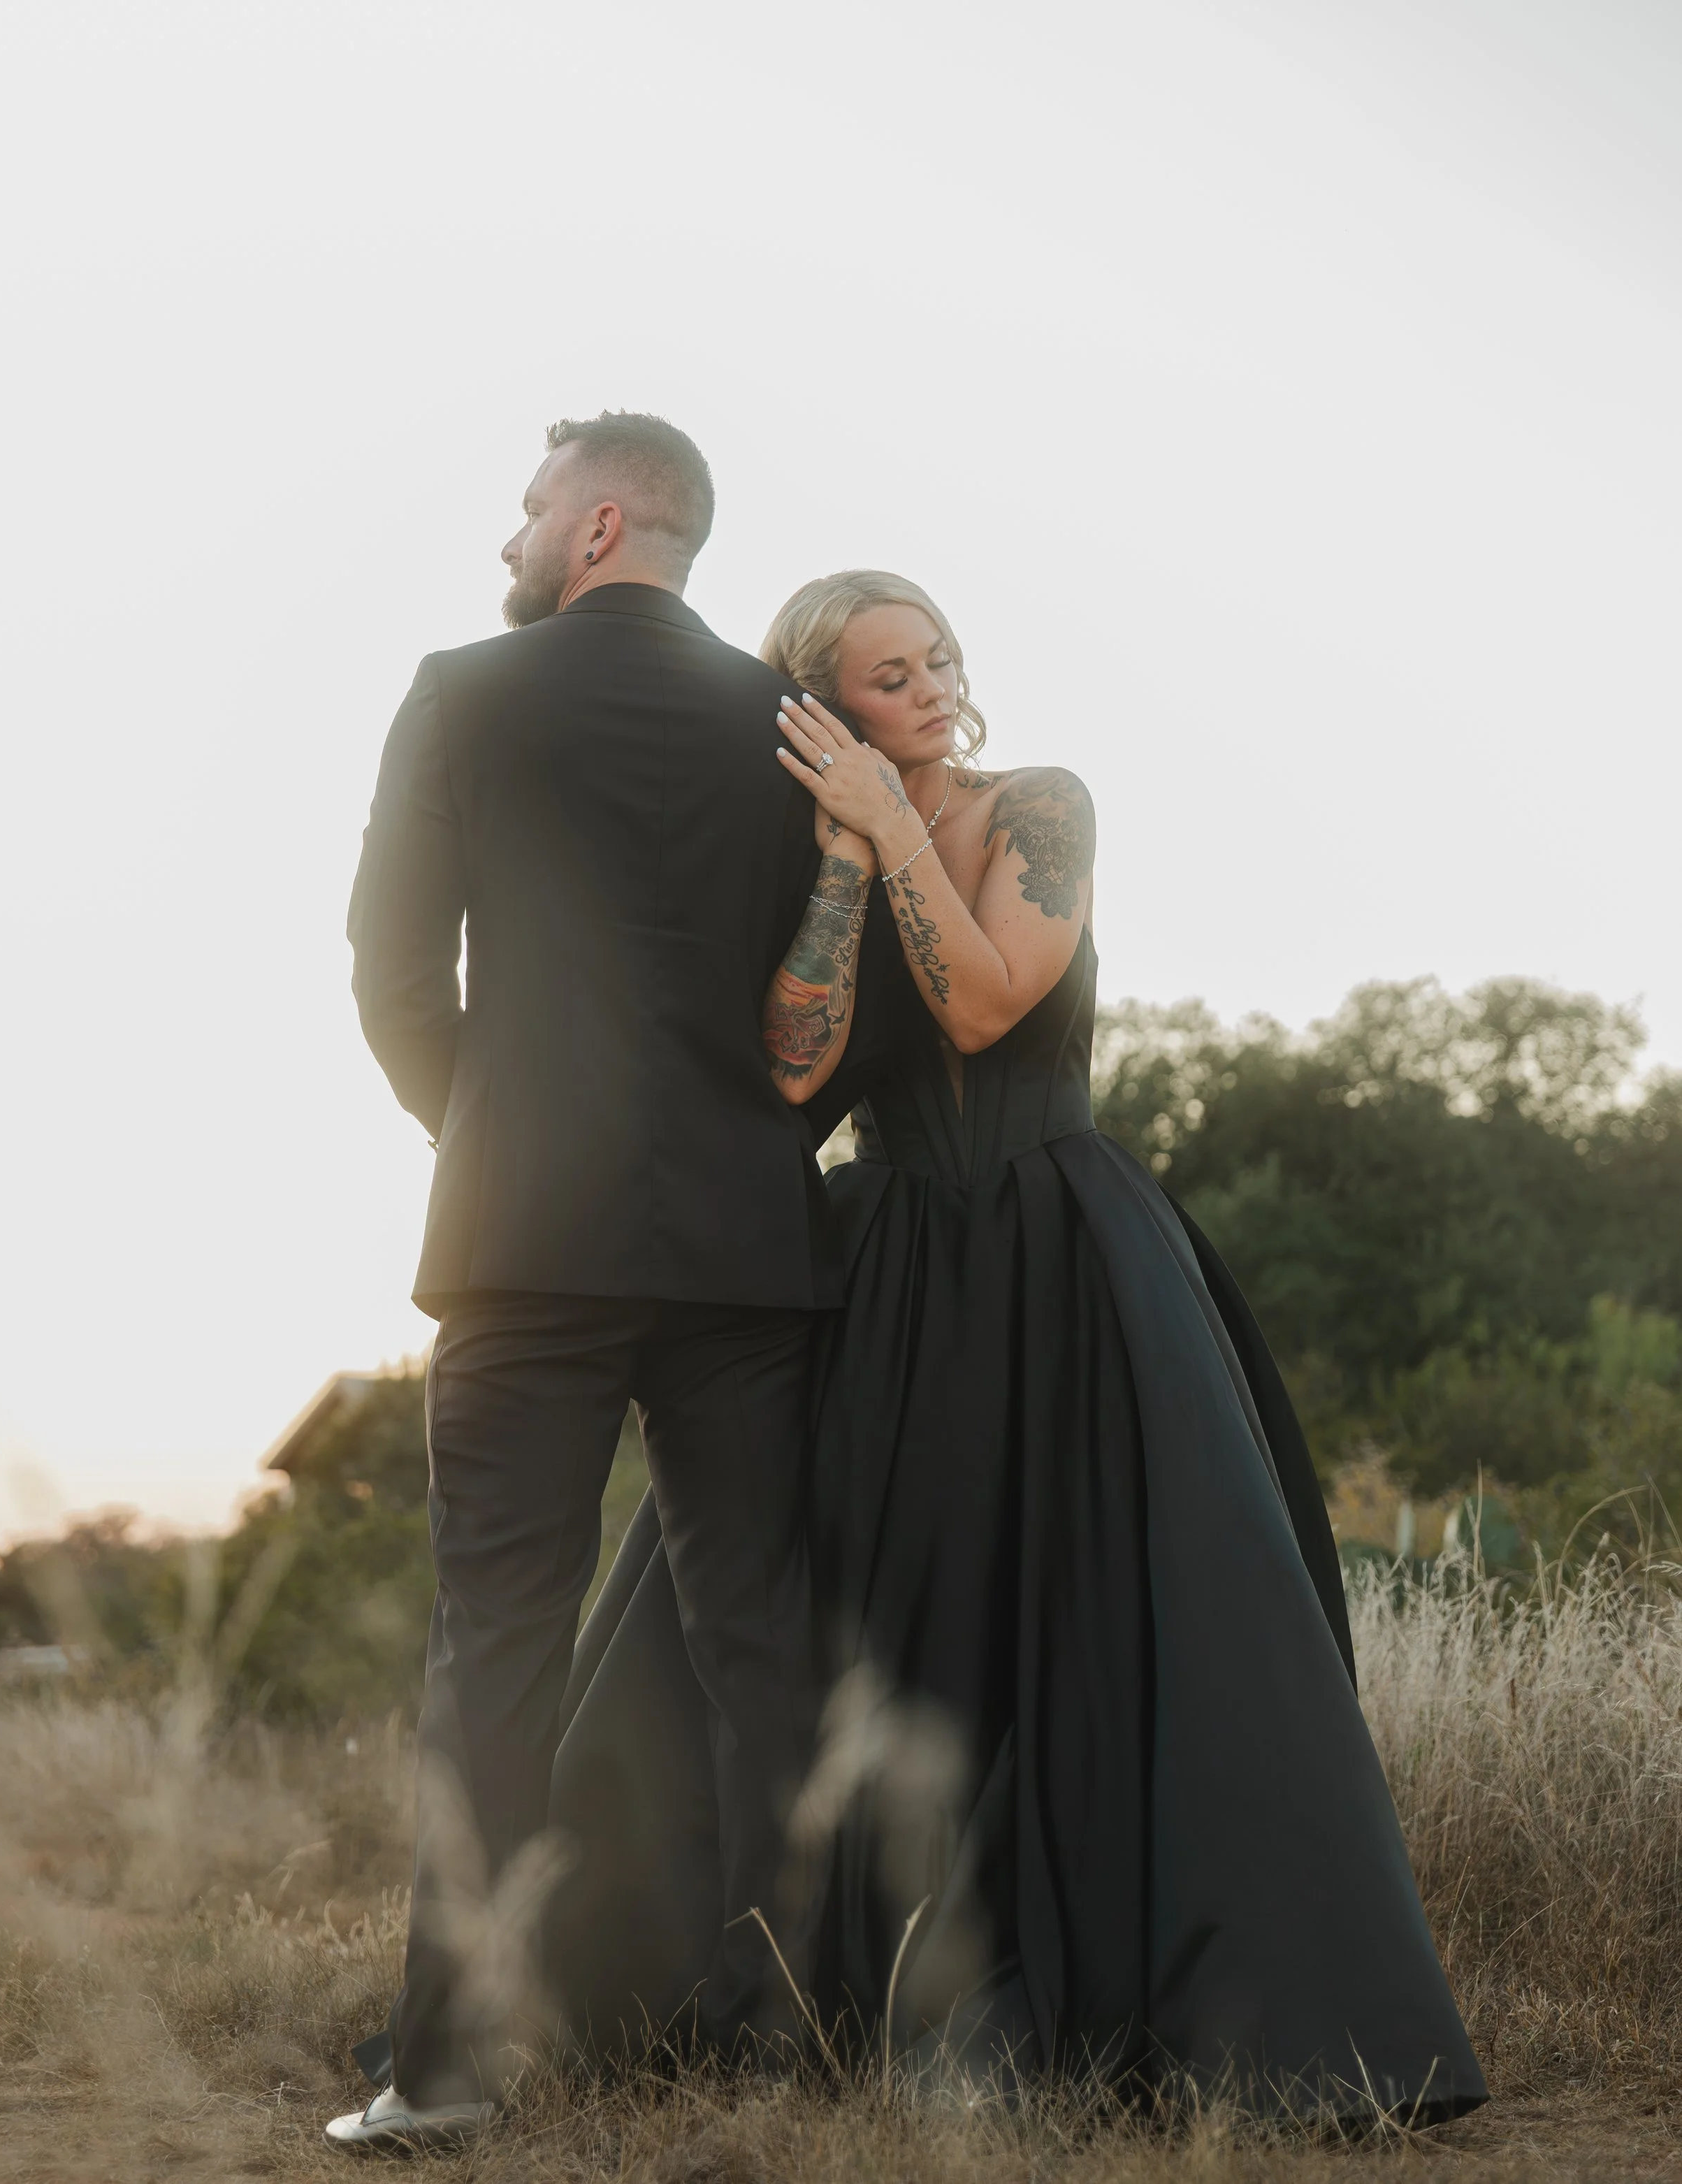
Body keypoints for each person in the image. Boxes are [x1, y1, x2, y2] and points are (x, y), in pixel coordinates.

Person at [548, 570, 1488, 2122]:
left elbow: (987, 1006)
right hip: (881, 1268)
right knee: (826, 1617)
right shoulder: (815, 855)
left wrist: (897, 818)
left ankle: (1198, 2009)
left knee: (1117, 1612)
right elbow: (793, 1080)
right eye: (887, 673)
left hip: (1067, 1257)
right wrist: (842, 857)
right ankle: (807, 1987)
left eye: (939, 658)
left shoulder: (1040, 805)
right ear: (821, 709)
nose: (931, 685)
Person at [327, 415, 846, 2153]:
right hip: (742, 1251)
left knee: (496, 1655)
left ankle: (446, 2071)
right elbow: (824, 1018)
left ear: (600, 517)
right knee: (762, 1645)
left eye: (530, 505)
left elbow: (391, 962)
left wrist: (482, 1128)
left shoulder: (465, 693)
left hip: (521, 1246)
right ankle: (783, 2048)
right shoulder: (793, 729)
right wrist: (758, 1152)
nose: (510, 538)